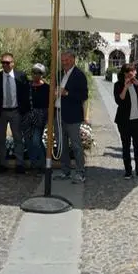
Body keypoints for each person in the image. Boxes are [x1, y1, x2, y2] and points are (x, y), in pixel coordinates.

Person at [0, 52, 30, 174]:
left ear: (13, 63)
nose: (5, 65)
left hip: (16, 111)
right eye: (3, 62)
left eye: (7, 62)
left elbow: (26, 94)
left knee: (18, 138)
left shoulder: (21, 76)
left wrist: (24, 110)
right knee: (1, 139)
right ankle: (2, 163)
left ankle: (20, 163)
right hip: (1, 111)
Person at [57, 51, 89, 184]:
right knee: (61, 144)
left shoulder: (79, 75)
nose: (64, 63)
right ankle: (65, 171)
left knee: (76, 145)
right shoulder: (59, 74)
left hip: (73, 116)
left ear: (73, 60)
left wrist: (67, 93)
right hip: (58, 114)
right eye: (62, 60)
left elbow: (84, 96)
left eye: (67, 60)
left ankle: (80, 172)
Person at [114, 63, 138, 179]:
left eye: (133, 71)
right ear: (125, 73)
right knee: (126, 146)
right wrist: (125, 86)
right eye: (130, 72)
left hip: (137, 120)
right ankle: (128, 170)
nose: (132, 73)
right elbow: (119, 100)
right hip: (124, 121)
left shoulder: (136, 84)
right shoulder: (118, 85)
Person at [26, 63, 50, 172]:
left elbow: (49, 104)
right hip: (27, 116)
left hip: (40, 117)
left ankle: (43, 163)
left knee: (36, 140)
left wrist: (49, 118)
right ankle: (34, 163)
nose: (35, 75)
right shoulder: (27, 85)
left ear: (42, 74)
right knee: (28, 141)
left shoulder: (46, 88)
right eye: (34, 72)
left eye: (38, 73)